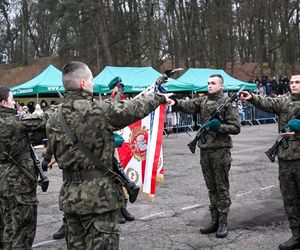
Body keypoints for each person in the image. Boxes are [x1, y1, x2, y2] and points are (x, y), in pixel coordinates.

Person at [45, 61, 173, 249]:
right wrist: (159, 98)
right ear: (82, 84)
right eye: (90, 80)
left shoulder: (53, 116)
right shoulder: (99, 110)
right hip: (99, 198)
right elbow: (133, 108)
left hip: (70, 197)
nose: (93, 84)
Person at [169, 74, 241, 238]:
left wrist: (218, 127)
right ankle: (214, 221)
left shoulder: (227, 103)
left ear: (221, 85)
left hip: (221, 151)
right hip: (205, 150)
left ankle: (223, 223)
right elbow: (188, 105)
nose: (209, 85)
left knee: (221, 188)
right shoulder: (203, 101)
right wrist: (175, 102)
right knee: (211, 188)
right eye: (208, 83)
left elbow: (236, 127)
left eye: (213, 83)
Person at [240, 74, 300, 250]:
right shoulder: (285, 102)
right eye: (292, 82)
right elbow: (268, 103)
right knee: (290, 200)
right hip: (286, 159)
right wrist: (252, 97)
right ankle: (296, 235)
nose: (293, 85)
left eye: (297, 82)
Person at [0, 88, 46, 249]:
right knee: (23, 229)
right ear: (4, 103)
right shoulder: (15, 121)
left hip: (3, 184)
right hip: (19, 184)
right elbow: (43, 120)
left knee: (7, 225)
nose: (15, 103)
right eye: (12, 100)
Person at [108, 76, 135, 224]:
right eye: (119, 87)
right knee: (113, 180)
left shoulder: (119, 99)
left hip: (116, 148)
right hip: (107, 149)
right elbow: (114, 107)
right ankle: (116, 210)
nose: (121, 90)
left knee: (120, 179)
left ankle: (123, 208)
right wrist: (117, 93)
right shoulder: (108, 101)